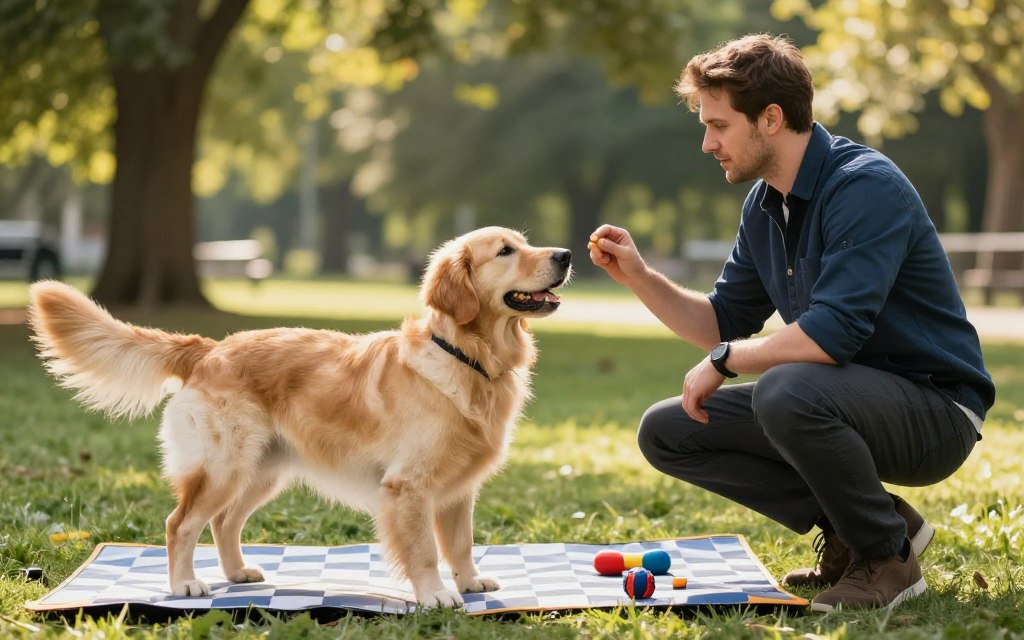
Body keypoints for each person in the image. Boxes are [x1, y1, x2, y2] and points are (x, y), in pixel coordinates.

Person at [588, 34, 994, 613]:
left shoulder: (863, 186)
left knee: (784, 389)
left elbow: (830, 335)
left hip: (935, 411)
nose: (707, 143)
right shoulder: (764, 204)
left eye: (720, 125)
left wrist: (726, 360)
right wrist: (640, 277)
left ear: (771, 118)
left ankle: (886, 558)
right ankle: (866, 524)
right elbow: (722, 320)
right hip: (840, 397)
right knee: (669, 430)